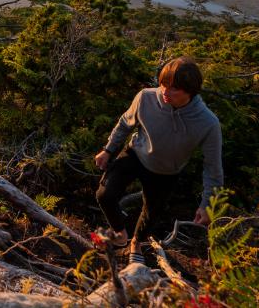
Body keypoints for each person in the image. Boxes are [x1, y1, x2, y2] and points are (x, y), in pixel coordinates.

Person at [94, 56, 223, 264]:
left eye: (174, 89)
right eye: (163, 84)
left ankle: (136, 243)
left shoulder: (208, 123)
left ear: (190, 92)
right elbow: (125, 124)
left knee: (151, 213)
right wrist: (108, 150)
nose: (164, 91)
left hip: (166, 172)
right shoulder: (145, 98)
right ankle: (120, 233)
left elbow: (213, 167)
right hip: (136, 154)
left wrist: (208, 203)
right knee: (105, 194)